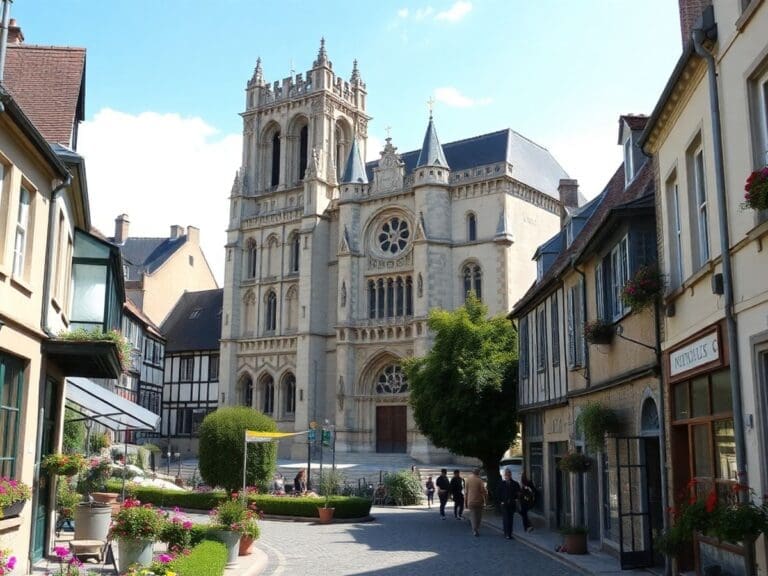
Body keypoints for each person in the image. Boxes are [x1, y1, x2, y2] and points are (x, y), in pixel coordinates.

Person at [497, 468, 521, 539]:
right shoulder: (502, 484)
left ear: (510, 475)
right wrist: (500, 501)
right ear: (504, 476)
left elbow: (518, 493)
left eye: (508, 474)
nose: (507, 476)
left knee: (510, 519)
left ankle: (509, 533)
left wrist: (516, 499)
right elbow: (498, 493)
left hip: (512, 504)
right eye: (506, 475)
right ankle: (506, 533)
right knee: (505, 518)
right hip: (504, 504)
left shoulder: (515, 484)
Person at [464, 468, 487, 537]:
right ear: (478, 473)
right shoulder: (479, 480)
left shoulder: (468, 479)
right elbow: (483, 491)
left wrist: (465, 502)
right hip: (479, 501)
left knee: (473, 516)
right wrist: (486, 497)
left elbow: (466, 492)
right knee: (479, 516)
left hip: (470, 501)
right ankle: (477, 528)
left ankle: (474, 530)